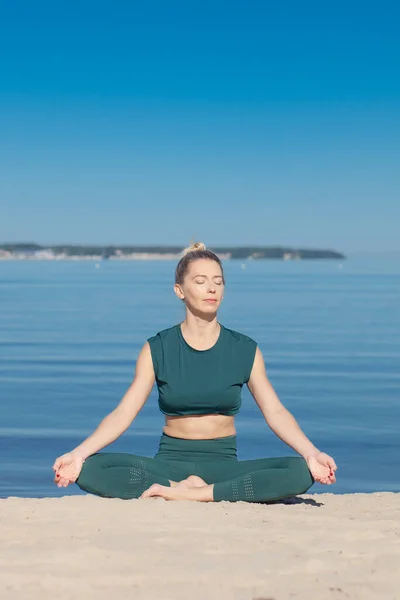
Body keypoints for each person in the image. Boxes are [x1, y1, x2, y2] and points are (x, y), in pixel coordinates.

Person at [52, 242, 337, 502]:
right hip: (167, 465)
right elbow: (123, 414)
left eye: (218, 282)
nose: (211, 289)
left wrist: (312, 453)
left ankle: (195, 493)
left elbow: (275, 412)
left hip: (225, 466)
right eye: (200, 281)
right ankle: (184, 487)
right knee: (90, 469)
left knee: (300, 471)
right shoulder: (157, 348)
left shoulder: (245, 349)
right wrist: (77, 454)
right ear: (180, 290)